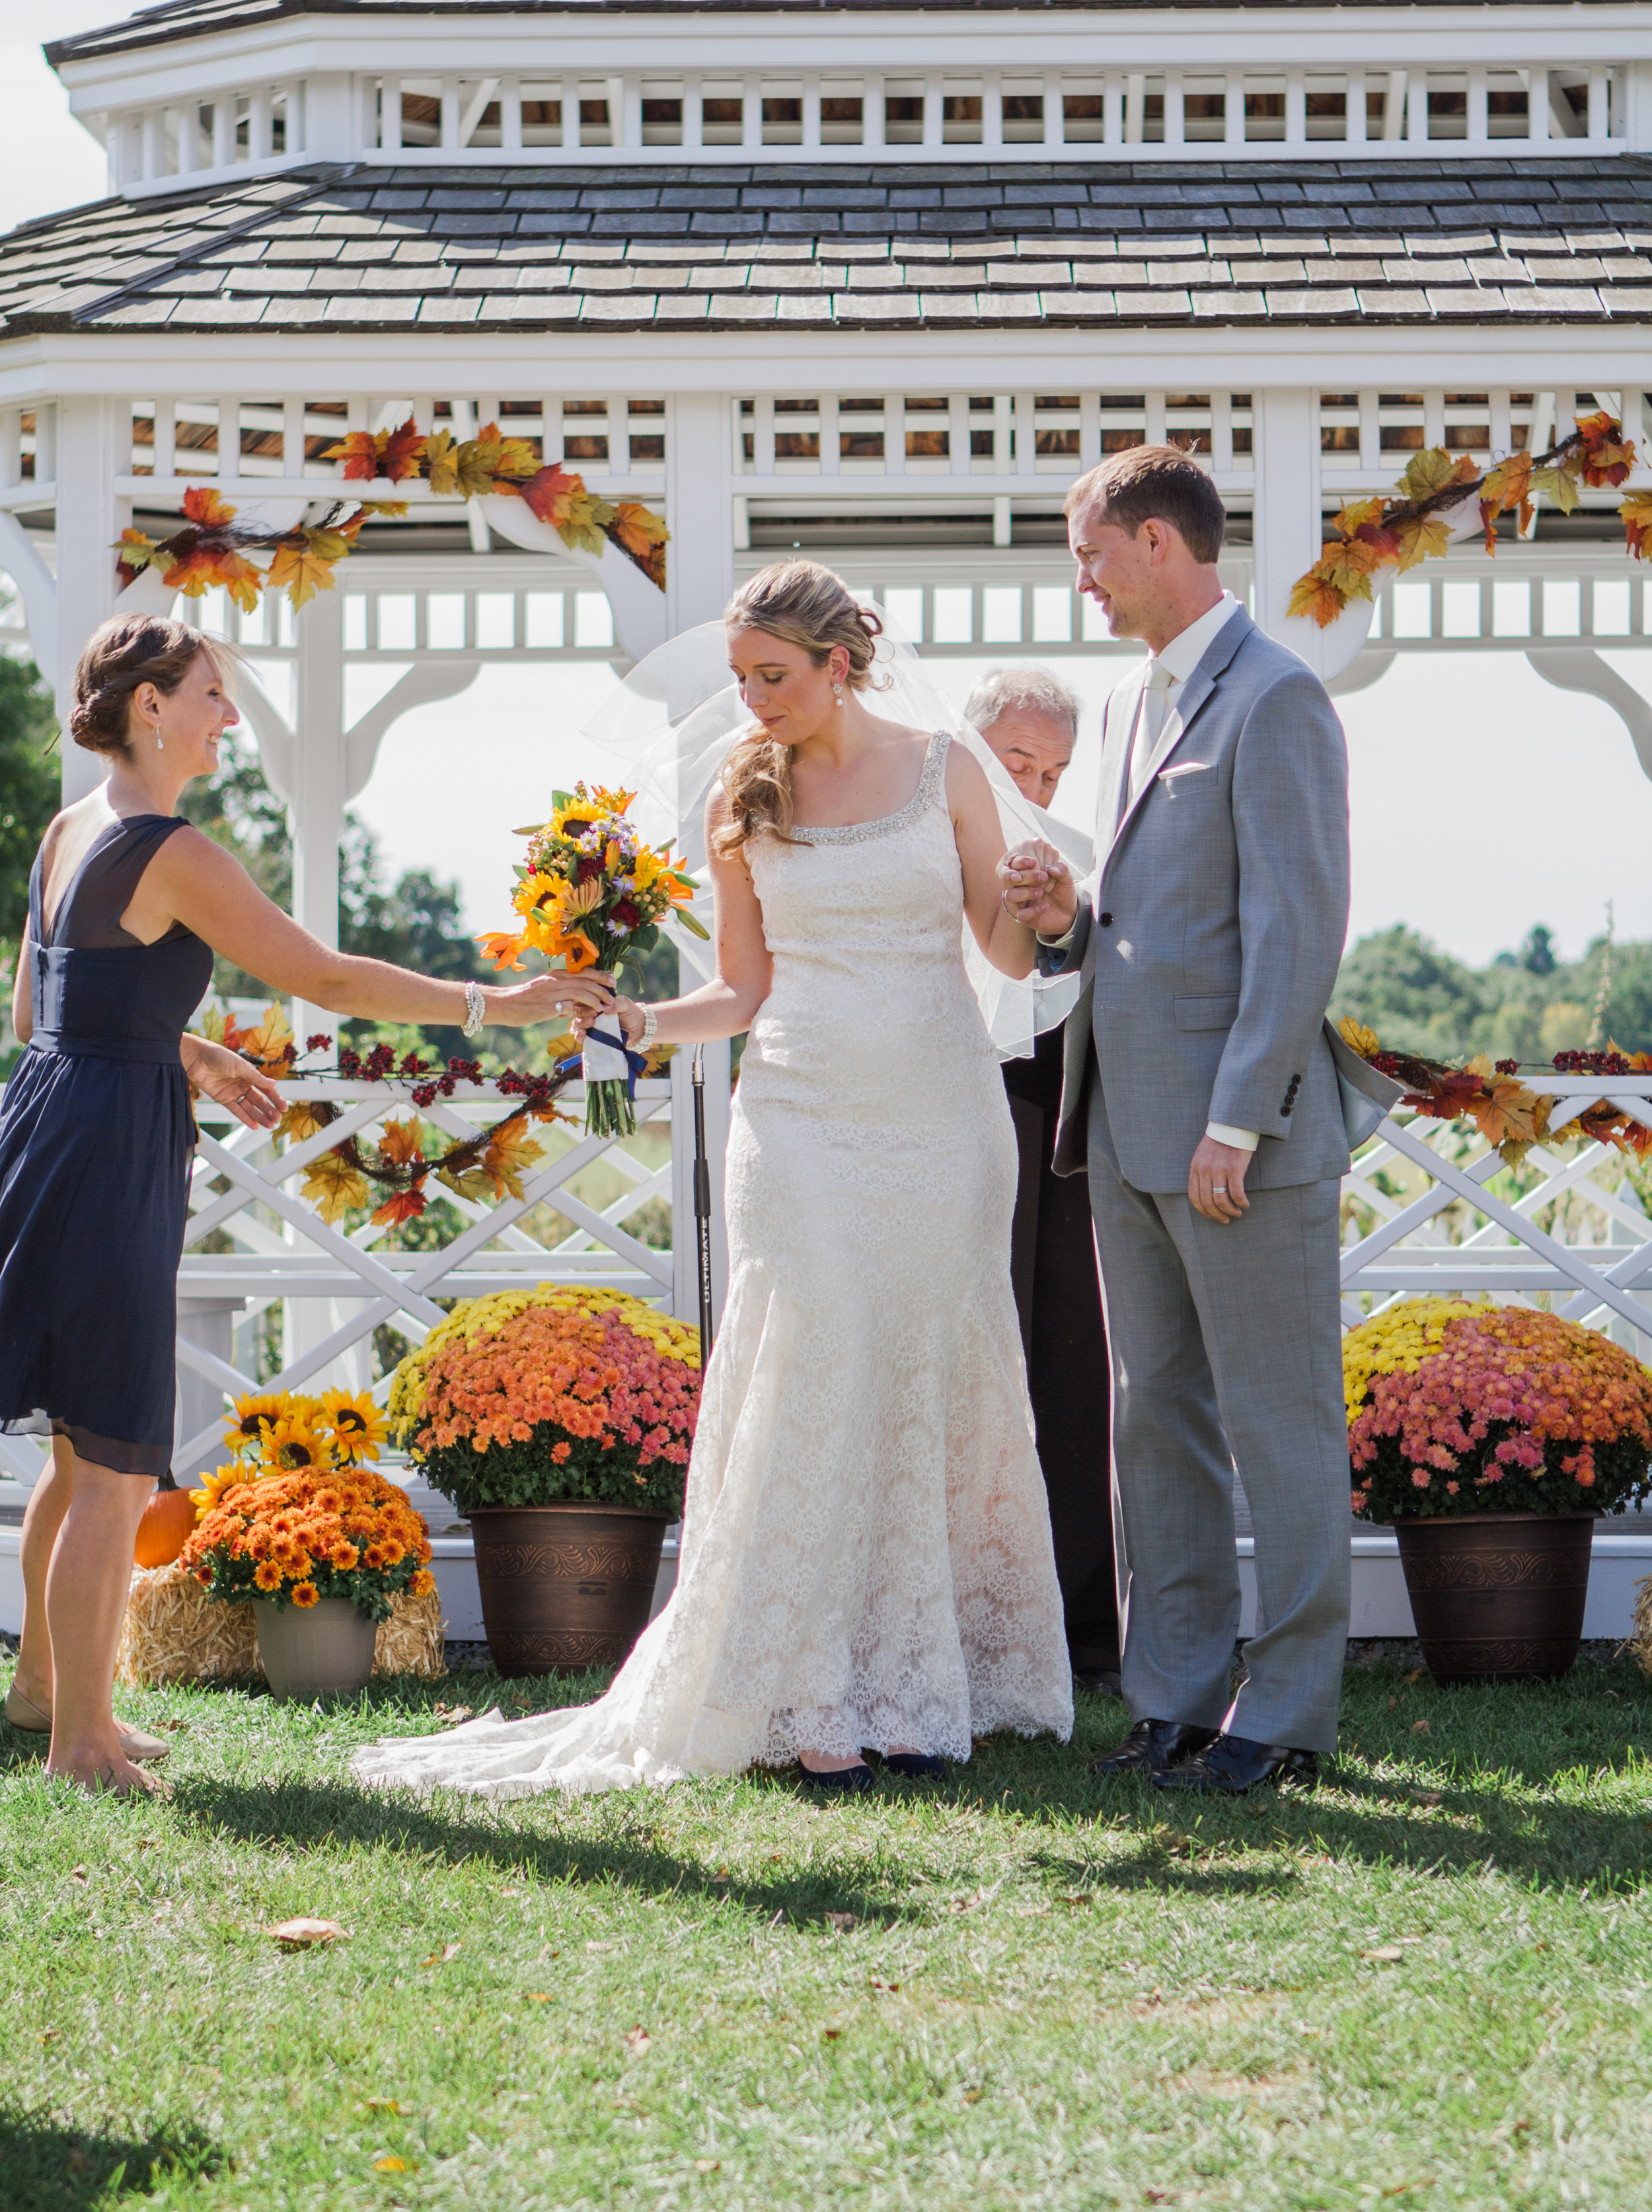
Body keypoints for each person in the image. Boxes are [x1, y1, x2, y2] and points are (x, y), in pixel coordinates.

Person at [352, 558, 1072, 1800]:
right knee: (820, 1358)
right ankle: (804, 1689)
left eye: (773, 676)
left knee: (923, 1375)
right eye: (740, 678)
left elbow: (1000, 946)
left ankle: (912, 1678)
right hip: (794, 1121)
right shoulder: (745, 792)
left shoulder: (950, 770)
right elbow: (742, 990)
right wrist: (636, 1019)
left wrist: (1046, 911)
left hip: (943, 1122)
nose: (752, 701)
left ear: (842, 662)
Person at [0, 615, 602, 1796]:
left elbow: (40, 1015)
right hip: (109, 1150)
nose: (230, 715)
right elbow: (323, 974)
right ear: (151, 707)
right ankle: (83, 1744)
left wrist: (187, 1052)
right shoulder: (173, 847)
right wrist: (502, 1003)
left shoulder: (71, 829)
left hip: (47, 1128)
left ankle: (42, 1695)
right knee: (116, 1467)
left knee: (79, 1459)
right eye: (213, 693)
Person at [1001, 443, 1381, 1797]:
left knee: (1274, 1425)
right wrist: (1059, 921)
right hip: (1115, 1128)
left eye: (1091, 559)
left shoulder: (1275, 700)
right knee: (1147, 1414)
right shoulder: (1114, 710)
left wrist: (1240, 1121)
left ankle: (1281, 1713)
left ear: (1158, 544)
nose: (1084, 587)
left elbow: (1295, 930)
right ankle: (1169, 1699)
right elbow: (1126, 920)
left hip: (1234, 1144)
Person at [964, 666, 1119, 1695]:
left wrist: (1063, 923)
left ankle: (1084, 1632)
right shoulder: (926, 828)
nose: (1038, 784)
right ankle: (972, 1622)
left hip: (1061, 1119)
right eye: (1019, 761)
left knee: (1075, 1367)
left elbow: (1087, 961)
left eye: (1056, 769)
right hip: (955, 1109)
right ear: (972, 750)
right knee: (978, 1364)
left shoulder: (1079, 853)